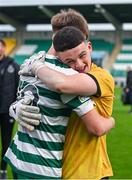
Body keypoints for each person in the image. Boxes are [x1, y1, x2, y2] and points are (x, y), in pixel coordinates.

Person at [4, 17, 115, 180]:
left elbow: (62, 84)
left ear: (85, 42)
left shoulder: (100, 76)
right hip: (51, 166)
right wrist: (16, 107)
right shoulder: (52, 73)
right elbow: (31, 93)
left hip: (86, 170)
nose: (78, 64)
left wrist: (36, 66)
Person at [0, 39, 20, 179]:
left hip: (7, 111)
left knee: (6, 142)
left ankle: (3, 170)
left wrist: (15, 108)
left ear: (4, 48)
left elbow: (19, 90)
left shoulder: (13, 65)